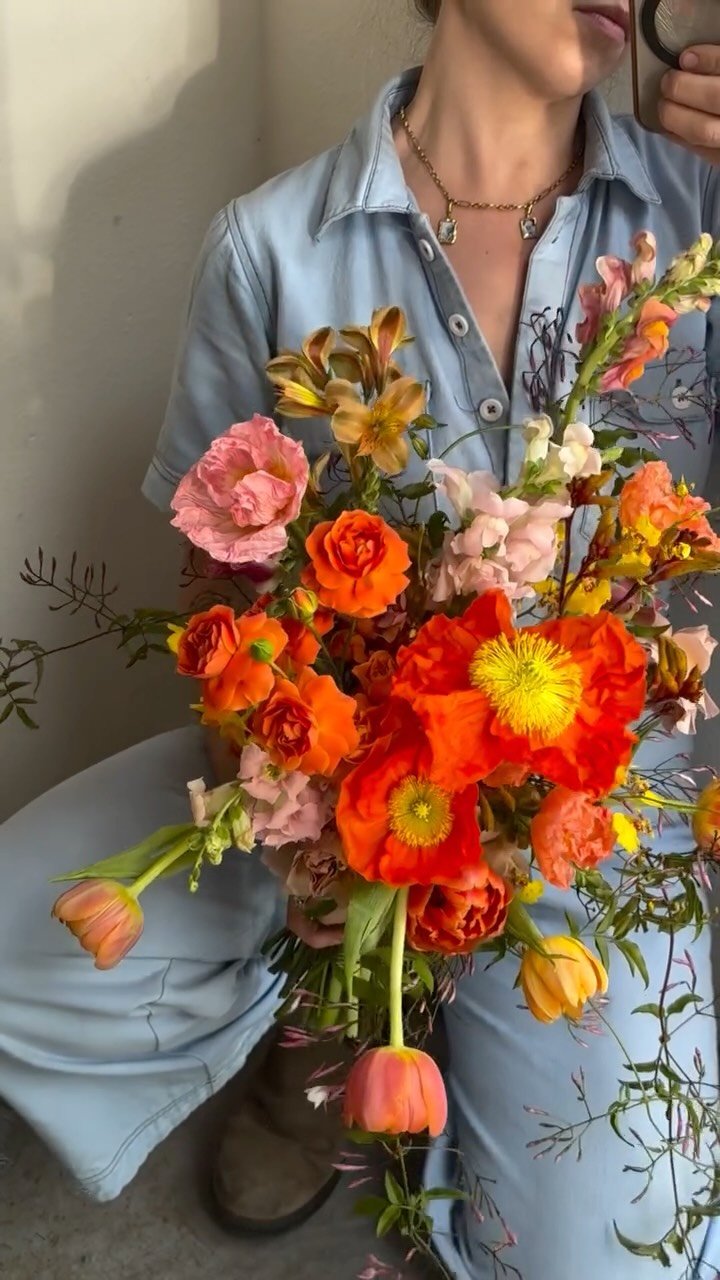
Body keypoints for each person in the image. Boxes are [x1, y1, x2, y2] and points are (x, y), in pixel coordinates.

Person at [2, 1, 720, 1275]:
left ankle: (437, 1055)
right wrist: (292, 832)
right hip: (345, 780)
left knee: (628, 1254)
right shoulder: (275, 245)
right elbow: (220, 579)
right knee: (20, 939)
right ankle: (322, 1024)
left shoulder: (701, 207)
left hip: (607, 822)